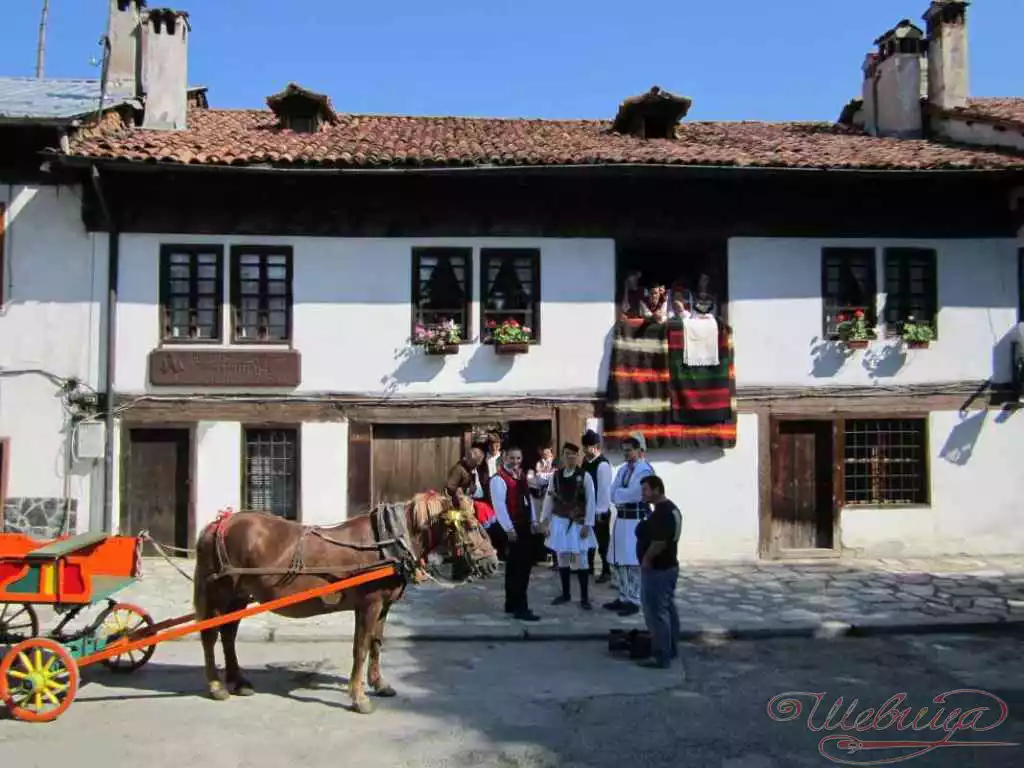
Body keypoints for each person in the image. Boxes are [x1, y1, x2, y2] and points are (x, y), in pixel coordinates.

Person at [538, 442, 596, 610]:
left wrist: (588, 524)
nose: (570, 457)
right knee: (562, 556)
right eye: (567, 454)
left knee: (581, 559)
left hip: (578, 522)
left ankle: (584, 598)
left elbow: (591, 501)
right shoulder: (555, 476)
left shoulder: (585, 476)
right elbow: (549, 499)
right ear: (562, 456)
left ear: (577, 456)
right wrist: (544, 520)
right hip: (559, 521)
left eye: (573, 454)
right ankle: (565, 594)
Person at [636, 475, 682, 669]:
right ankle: (671, 649)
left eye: (645, 490)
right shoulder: (668, 509)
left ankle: (661, 655)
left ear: (656, 489)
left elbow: (660, 542)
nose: (643, 494)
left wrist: (647, 559)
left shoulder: (663, 513)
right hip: (667, 567)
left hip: (658, 569)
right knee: (667, 608)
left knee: (656, 612)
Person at [606, 434, 655, 617]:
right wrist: (620, 494)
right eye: (624, 450)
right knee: (620, 561)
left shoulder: (644, 470)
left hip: (635, 520)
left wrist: (620, 494)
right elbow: (612, 493)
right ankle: (623, 596)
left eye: (629, 450)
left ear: (638, 450)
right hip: (621, 520)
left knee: (633, 562)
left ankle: (634, 600)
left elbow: (635, 494)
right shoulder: (623, 470)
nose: (626, 453)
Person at [490, 445, 540, 622]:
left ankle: (511, 604)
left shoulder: (520, 476)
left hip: (525, 525)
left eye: (518, 458)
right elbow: (499, 506)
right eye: (512, 458)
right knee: (518, 568)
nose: (515, 461)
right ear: (504, 457)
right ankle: (520, 607)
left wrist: (534, 521)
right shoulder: (498, 479)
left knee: (518, 567)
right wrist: (508, 529)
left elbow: (529, 499)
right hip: (513, 527)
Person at [445, 443, 504, 557]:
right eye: (475, 463)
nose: (477, 466)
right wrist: (461, 493)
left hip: (473, 500)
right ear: (470, 460)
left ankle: (489, 546)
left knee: (488, 518)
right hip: (460, 504)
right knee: (474, 524)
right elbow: (450, 486)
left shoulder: (471, 469)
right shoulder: (459, 469)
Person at [582, 429, 613, 583]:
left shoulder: (602, 465)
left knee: (602, 542)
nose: (584, 450)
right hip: (588, 508)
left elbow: (604, 490)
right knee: (588, 540)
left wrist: (600, 511)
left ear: (595, 447)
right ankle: (589, 567)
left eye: (586, 447)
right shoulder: (586, 462)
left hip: (600, 510)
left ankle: (606, 570)